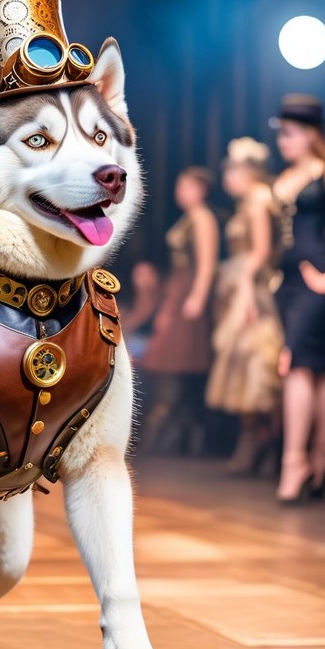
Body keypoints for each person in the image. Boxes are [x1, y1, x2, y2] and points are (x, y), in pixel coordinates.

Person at [271, 95, 325, 504]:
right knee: (320, 363)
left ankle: (295, 462)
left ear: (311, 135)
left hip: (319, 276)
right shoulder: (285, 177)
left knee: (299, 362)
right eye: (281, 134)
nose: (283, 141)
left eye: (290, 133)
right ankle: (323, 460)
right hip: (287, 281)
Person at [206, 138, 283, 471]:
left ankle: (271, 445)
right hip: (240, 286)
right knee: (242, 365)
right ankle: (254, 444)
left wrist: (247, 293)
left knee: (258, 362)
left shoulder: (258, 198)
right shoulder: (247, 202)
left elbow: (262, 251)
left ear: (250, 171)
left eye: (234, 169)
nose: (228, 176)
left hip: (254, 288)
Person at [141, 167, 219, 454]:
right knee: (170, 360)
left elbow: (207, 262)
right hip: (178, 287)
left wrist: (197, 296)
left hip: (188, 290)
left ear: (200, 189)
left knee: (176, 358)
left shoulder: (202, 218)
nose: (180, 192)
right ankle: (176, 430)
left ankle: (180, 431)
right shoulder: (190, 218)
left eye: (186, 186)